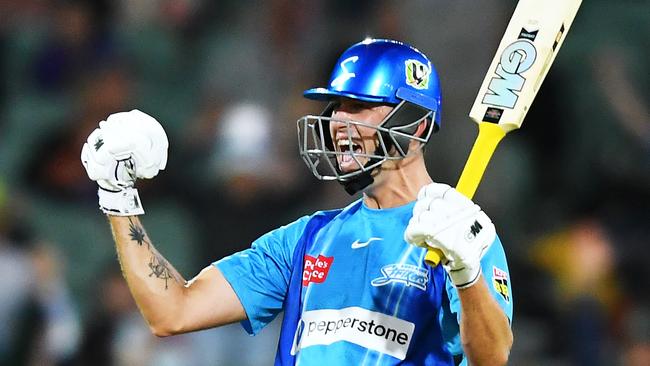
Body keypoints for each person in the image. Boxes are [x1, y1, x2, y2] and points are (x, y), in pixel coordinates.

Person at [81, 39, 513, 365]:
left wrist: (466, 272)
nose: (339, 121)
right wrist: (118, 197)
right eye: (337, 106)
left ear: (415, 126)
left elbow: (492, 357)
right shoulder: (307, 239)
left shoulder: (465, 234)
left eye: (360, 106)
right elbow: (173, 312)